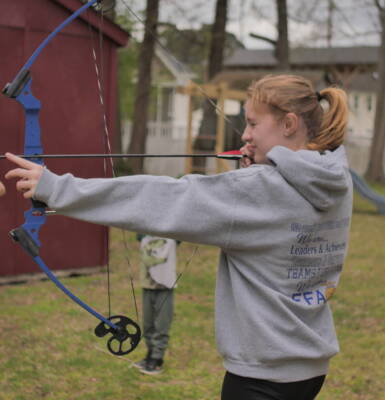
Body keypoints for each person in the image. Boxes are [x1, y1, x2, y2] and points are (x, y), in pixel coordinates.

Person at [5, 74, 353, 400]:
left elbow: (160, 199)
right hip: (309, 366)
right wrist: (263, 170)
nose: (245, 135)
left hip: (261, 377)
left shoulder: (258, 190)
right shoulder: (334, 177)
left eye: (252, 123)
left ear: (289, 123)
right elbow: (279, 206)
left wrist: (56, 188)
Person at [132, 233, 179, 375]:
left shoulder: (172, 236)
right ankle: (150, 354)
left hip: (165, 287)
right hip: (147, 285)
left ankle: (157, 359)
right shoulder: (143, 235)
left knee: (162, 324)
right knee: (147, 324)